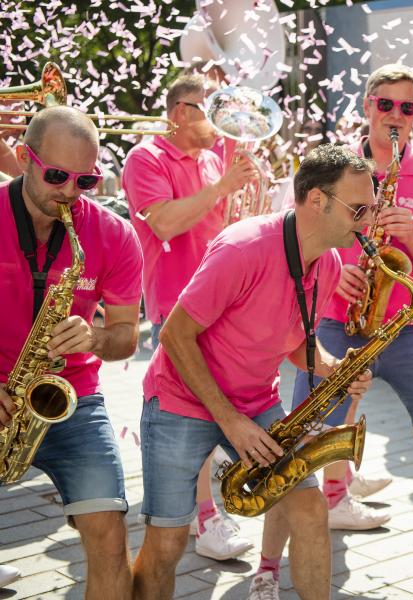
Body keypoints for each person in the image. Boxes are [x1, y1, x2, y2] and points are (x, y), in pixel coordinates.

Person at [258, 64, 413, 597]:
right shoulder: (331, 169)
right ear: (367, 105)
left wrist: (412, 237)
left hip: (408, 327)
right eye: (385, 105)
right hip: (336, 326)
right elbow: (289, 247)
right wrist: (330, 269)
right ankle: (266, 570)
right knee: (298, 447)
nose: (395, 117)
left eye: (407, 108)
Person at [132, 144, 375, 600]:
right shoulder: (243, 248)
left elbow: (296, 338)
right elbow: (174, 336)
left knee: (310, 510)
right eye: (358, 208)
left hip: (254, 403)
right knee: (167, 543)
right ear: (317, 200)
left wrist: (332, 368)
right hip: (180, 402)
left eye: (371, 209)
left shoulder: (330, 262)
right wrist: (232, 423)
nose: (367, 221)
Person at [0, 106, 142, 599]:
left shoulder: (113, 233)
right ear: (23, 158)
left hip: (72, 399)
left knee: (109, 533)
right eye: (57, 175)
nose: (70, 192)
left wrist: (97, 338)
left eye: (86, 180)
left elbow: (127, 335)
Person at [122, 73, 258, 561]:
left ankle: (208, 502)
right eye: (212, 108)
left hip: (226, 303)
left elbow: (229, 226)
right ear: (180, 113)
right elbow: (164, 222)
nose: (225, 120)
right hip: (177, 305)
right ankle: (205, 518)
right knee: (191, 410)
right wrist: (224, 185)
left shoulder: (214, 156)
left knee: (220, 403)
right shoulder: (145, 158)